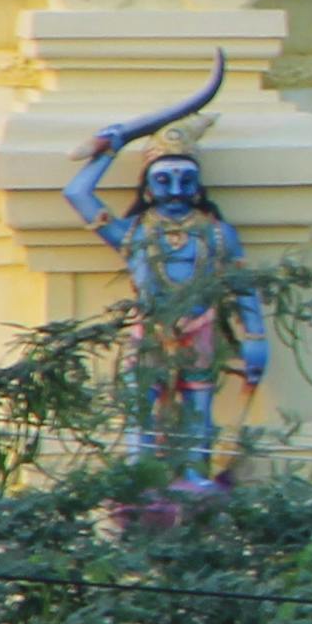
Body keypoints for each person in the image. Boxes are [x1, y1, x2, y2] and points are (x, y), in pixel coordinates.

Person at [68, 64, 271, 491]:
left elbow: (243, 285)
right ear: (148, 185)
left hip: (200, 330)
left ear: (197, 186)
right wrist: (114, 142)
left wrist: (255, 338)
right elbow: (77, 193)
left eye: (185, 179)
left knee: (199, 405)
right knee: (142, 404)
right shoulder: (135, 233)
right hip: (150, 332)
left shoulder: (217, 233)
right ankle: (141, 477)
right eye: (164, 179)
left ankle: (195, 475)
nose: (175, 189)